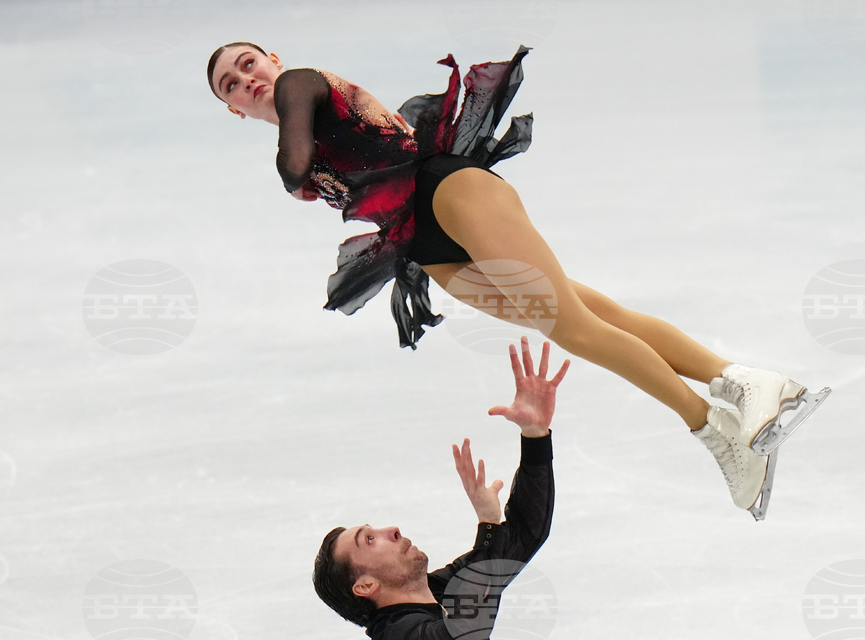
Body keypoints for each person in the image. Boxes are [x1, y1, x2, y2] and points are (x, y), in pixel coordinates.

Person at [206, 42, 831, 519]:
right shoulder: (296, 115)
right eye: (231, 86)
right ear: (233, 110)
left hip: (450, 192)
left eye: (246, 63)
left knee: (574, 327)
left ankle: (713, 424)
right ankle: (745, 383)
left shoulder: (298, 84)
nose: (246, 79)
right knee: (587, 311)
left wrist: (298, 179)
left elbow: (293, 169)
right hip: (428, 245)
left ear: (273, 60)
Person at [312, 337, 567, 638]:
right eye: (368, 540)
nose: (391, 530)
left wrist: (534, 435)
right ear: (366, 586)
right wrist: (488, 526)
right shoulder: (396, 633)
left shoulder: (437, 590)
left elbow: (526, 532)